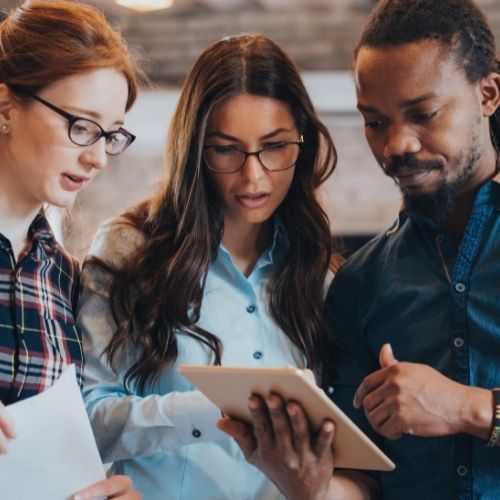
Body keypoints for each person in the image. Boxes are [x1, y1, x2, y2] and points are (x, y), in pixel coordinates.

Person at [220, 0, 500, 499]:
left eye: (423, 113)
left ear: (488, 94)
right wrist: (306, 484)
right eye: (375, 122)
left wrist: (469, 409)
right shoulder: (359, 283)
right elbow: (365, 480)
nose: (397, 145)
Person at [77, 33, 339, 499]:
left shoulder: (318, 273)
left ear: (302, 142)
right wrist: (212, 409)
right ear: (195, 148)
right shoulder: (129, 247)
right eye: (226, 149)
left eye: (275, 146)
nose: (253, 176)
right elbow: (89, 418)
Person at [0, 1, 143, 498]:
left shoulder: (65, 276)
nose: (98, 157)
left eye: (110, 135)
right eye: (80, 126)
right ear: (5, 105)